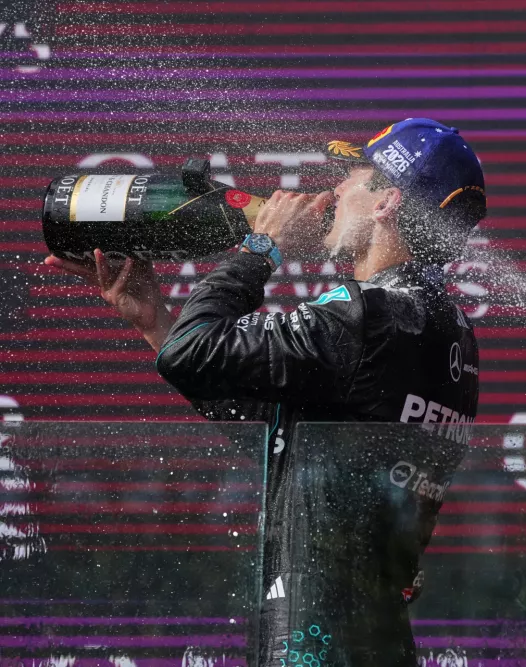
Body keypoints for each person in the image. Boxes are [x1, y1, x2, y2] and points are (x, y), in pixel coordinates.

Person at [45, 118, 486, 666]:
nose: (335, 190)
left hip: (312, 634)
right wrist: (156, 319)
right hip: (374, 636)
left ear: (386, 202)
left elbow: (194, 352)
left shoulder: (367, 313)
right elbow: (264, 418)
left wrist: (263, 247)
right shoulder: (449, 330)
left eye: (352, 176)